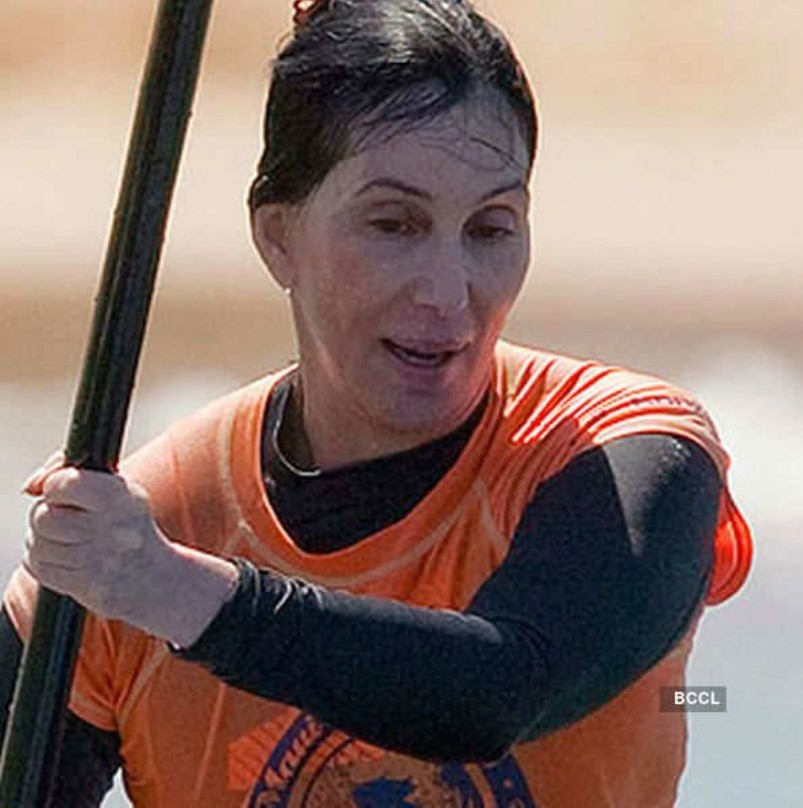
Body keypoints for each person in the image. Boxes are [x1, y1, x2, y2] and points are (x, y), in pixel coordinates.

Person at [1, 0, 752, 805]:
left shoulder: (623, 451)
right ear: (276, 236)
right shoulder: (140, 537)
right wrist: (135, 579)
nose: (447, 292)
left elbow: (500, 689)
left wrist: (178, 594)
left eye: (490, 229)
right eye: (394, 224)